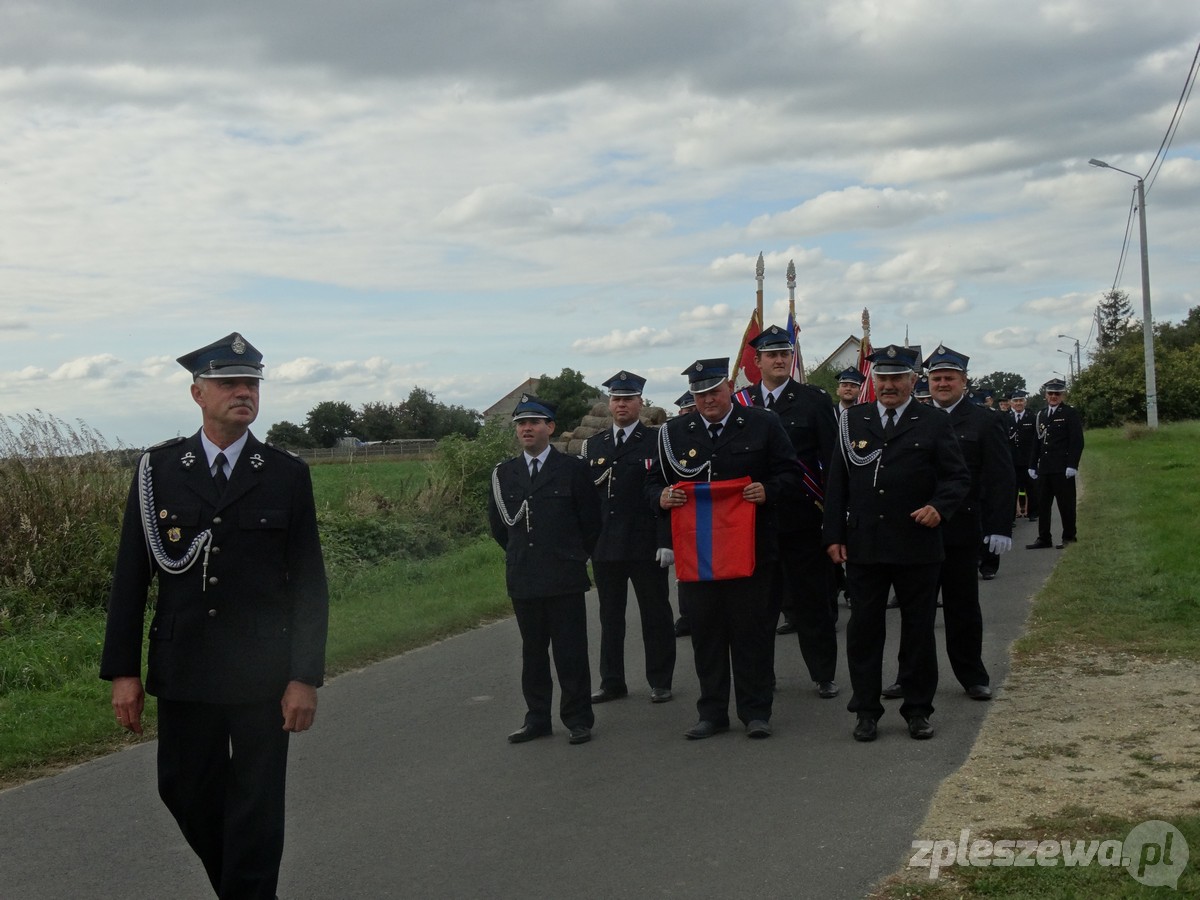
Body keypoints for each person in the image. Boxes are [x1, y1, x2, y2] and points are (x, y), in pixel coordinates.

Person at [101, 332, 329, 900]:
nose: (243, 393)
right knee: (183, 788)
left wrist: (305, 676)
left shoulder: (284, 473)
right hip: (186, 667)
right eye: (229, 383)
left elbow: (308, 582)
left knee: (257, 802)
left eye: (251, 384)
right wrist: (123, 672)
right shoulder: (158, 470)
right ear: (197, 392)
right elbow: (132, 576)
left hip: (262, 669)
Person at [822, 344, 970, 743]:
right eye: (882, 378)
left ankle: (918, 709)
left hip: (917, 544)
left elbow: (957, 478)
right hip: (865, 545)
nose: (889, 385)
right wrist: (833, 535)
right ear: (874, 381)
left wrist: (940, 507)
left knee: (918, 631)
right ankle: (866, 711)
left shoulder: (933, 422)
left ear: (911, 381)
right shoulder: (853, 420)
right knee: (864, 631)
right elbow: (837, 484)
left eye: (897, 378)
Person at [649, 358, 800, 740]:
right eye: (700, 394)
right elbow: (651, 484)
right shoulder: (673, 432)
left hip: (751, 550)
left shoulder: (763, 423)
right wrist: (662, 497)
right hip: (698, 554)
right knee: (706, 635)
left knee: (752, 633)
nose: (708, 400)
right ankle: (712, 712)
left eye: (714, 391)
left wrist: (768, 490)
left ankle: (755, 711)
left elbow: (790, 473)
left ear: (729, 388)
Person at [882, 347, 1013, 702]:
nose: (942, 384)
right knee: (915, 612)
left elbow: (1000, 477)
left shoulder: (985, 421)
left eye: (949, 378)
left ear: (964, 382)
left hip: (961, 530)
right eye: (936, 378)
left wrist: (1000, 526)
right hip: (918, 530)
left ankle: (972, 675)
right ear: (926, 381)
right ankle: (909, 677)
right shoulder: (914, 417)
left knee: (962, 608)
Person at [488, 395, 602, 745]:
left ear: (549, 428)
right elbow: (498, 526)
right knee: (532, 653)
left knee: (570, 652)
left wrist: (571, 555)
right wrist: (524, 556)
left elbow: (591, 523)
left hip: (564, 575)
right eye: (521, 423)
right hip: (525, 575)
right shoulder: (504, 473)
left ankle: (578, 718)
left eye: (534, 422)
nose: (526, 428)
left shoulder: (573, 469)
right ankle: (537, 718)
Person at [744, 325, 840, 698]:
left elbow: (832, 462)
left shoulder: (814, 400)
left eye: (785, 354)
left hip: (802, 516)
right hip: (754, 520)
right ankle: (762, 677)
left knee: (812, 601)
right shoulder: (742, 402)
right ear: (758, 362)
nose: (780, 360)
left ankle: (823, 674)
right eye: (772, 355)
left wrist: (834, 519)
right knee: (759, 607)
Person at [582, 372, 676, 705]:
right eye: (616, 399)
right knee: (610, 617)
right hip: (606, 545)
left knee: (655, 614)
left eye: (628, 399)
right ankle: (612, 681)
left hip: (646, 543)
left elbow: (667, 493)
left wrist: (667, 540)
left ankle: (660, 680)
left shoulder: (657, 441)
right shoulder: (594, 445)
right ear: (609, 404)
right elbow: (588, 501)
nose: (622, 405)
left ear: (640, 403)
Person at [1026, 378, 1085, 550]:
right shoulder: (1041, 414)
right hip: (1044, 467)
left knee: (1066, 504)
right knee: (1043, 505)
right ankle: (1044, 537)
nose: (1053, 396)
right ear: (1045, 395)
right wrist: (1032, 464)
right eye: (1050, 393)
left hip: (1062, 467)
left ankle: (1069, 536)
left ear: (1062, 395)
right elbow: (1036, 442)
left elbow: (1077, 441)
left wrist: (1072, 465)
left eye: (1057, 394)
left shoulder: (1069, 413)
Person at [1008, 389, 1039, 521]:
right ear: (1011, 403)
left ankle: (1033, 513)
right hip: (1011, 460)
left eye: (1021, 400)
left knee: (1031, 488)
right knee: (1012, 490)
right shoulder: (1005, 418)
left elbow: (1037, 439)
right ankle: (1011, 517)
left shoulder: (1032, 417)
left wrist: (1036, 458)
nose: (1018, 403)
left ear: (1025, 402)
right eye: (1016, 401)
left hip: (1028, 459)